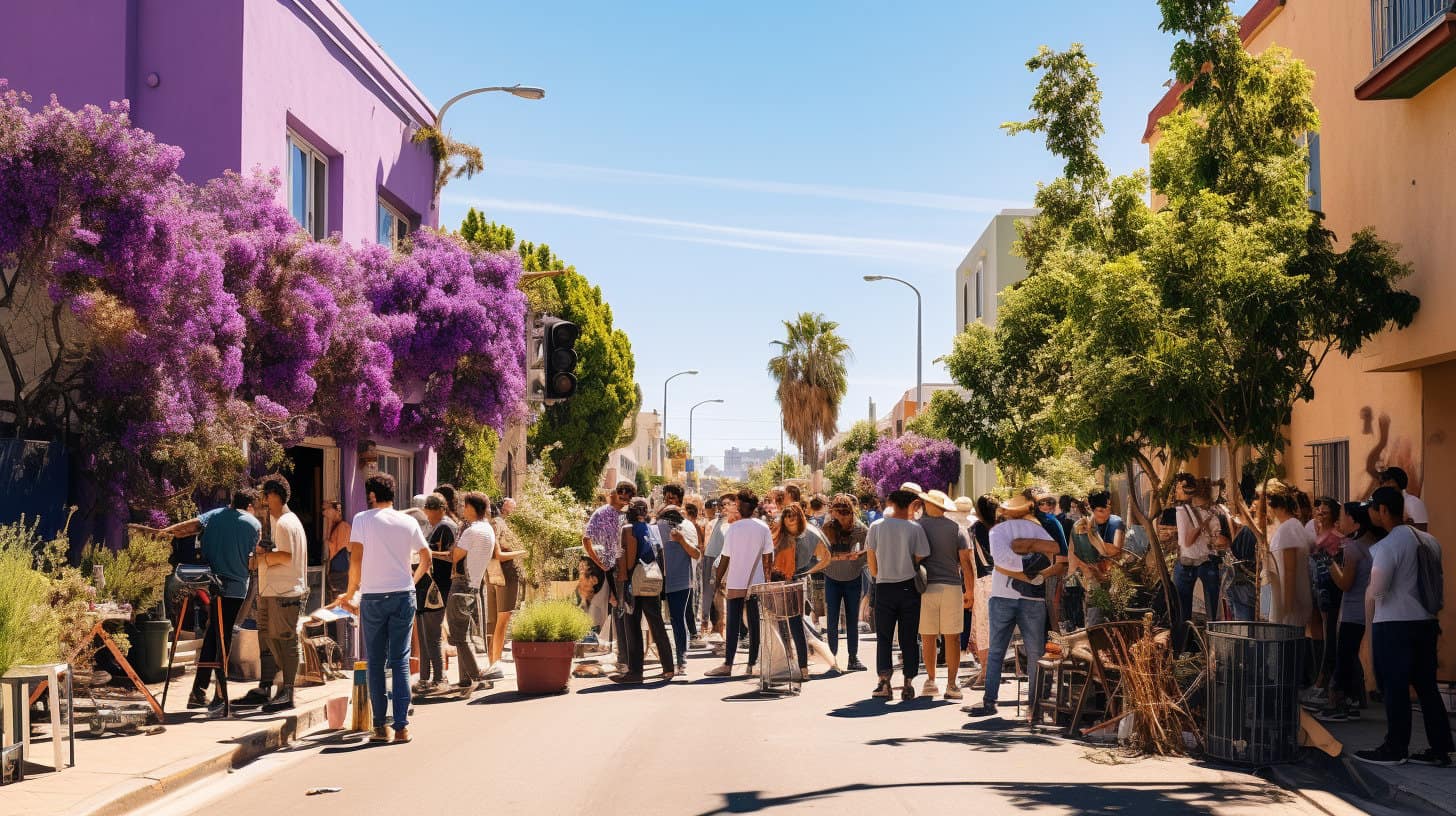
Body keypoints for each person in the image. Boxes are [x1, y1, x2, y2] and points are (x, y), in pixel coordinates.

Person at [1354, 487, 1453, 767]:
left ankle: (1395, 747)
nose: (1371, 513)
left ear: (1383, 511)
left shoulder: (1387, 546)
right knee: (1426, 687)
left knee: (1395, 687)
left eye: (1373, 508)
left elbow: (1379, 590)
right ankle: (1442, 748)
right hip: (1426, 622)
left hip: (1394, 624)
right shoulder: (1430, 540)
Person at [146, 489, 261, 718]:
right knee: (224, 636)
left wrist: (162, 532)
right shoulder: (253, 523)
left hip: (206, 582)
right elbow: (254, 559)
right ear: (250, 505)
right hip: (235, 588)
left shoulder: (214, 515)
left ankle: (198, 691)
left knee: (212, 633)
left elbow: (187, 528)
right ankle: (220, 693)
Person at [335, 473, 432, 744]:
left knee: (375, 662)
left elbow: (356, 560)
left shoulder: (363, 520)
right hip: (403, 596)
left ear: (372, 495)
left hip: (374, 597)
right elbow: (426, 557)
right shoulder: (408, 520)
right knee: (400, 661)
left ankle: (380, 727)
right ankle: (401, 727)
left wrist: (352, 591)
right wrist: (411, 582)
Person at [965, 492, 1058, 718]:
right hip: (1032, 597)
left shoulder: (997, 531)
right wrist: (1031, 559)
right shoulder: (1038, 529)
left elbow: (1002, 561)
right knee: (1035, 653)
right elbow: (1052, 554)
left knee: (997, 650)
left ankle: (989, 701)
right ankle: (1035, 705)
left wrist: (1020, 558)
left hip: (1002, 594)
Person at [235, 475, 308, 713]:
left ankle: (287, 692)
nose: (262, 501)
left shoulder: (286, 523)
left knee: (285, 642)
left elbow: (286, 556)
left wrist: (260, 559)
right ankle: (266, 687)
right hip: (272, 592)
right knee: (267, 640)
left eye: (265, 496)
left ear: (274, 495)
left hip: (283, 593)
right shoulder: (280, 522)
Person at [866, 488, 931, 700]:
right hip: (908, 587)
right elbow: (922, 554)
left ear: (891, 503)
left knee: (884, 637)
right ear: (910, 505)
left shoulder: (876, 527)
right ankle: (908, 683)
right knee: (909, 638)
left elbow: (871, 558)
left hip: (884, 585)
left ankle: (884, 682)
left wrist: (878, 574)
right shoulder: (915, 529)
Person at [1316, 501, 1375, 722]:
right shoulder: (1371, 542)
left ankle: (1338, 704)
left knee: (1344, 656)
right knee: (1350, 656)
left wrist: (1328, 562)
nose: (1340, 521)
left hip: (1352, 610)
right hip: (1367, 609)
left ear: (1354, 520)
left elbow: (1344, 583)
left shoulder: (1353, 546)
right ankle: (1353, 700)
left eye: (1343, 516)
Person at [705, 489, 774, 677]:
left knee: (733, 624)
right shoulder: (763, 527)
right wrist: (767, 580)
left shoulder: (733, 528)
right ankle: (752, 664)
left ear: (741, 506)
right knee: (754, 624)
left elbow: (725, 558)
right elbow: (769, 558)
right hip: (757, 582)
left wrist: (717, 581)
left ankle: (728, 664)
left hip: (736, 580)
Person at [912, 489, 973, 700]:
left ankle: (930, 680)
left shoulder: (917, 527)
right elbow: (966, 562)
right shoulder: (957, 528)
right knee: (952, 637)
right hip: (952, 586)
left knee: (928, 636)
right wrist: (970, 591)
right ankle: (952, 684)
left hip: (925, 587)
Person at [613, 498, 676, 683]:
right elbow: (660, 554)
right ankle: (668, 668)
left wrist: (623, 576)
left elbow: (628, 556)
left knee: (632, 625)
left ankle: (635, 672)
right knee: (657, 625)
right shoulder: (652, 528)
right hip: (652, 579)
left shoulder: (628, 528)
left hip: (635, 580)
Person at [810, 494, 868, 671]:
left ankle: (853, 657)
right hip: (832, 579)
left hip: (853, 578)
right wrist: (838, 557)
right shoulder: (827, 528)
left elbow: (868, 553)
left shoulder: (861, 529)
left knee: (852, 620)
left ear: (852, 512)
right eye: (838, 512)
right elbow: (819, 554)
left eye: (845, 512)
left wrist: (857, 558)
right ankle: (833, 659)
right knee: (832, 619)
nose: (842, 517)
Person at [447, 492, 495, 693]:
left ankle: (476, 676)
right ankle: (465, 679)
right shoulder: (488, 530)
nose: (463, 510)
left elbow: (455, 555)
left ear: (472, 508)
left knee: (459, 634)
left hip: (461, 584)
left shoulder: (471, 531)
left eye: (465, 506)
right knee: (464, 632)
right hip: (476, 584)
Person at [1172, 478, 1226, 652]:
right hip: (1208, 560)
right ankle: (1213, 649)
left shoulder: (1183, 511)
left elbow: (1186, 541)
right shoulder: (1214, 511)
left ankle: (1184, 650)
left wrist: (1201, 525)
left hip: (1192, 562)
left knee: (1182, 610)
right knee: (1212, 610)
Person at [410, 493, 457, 694]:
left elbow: (451, 556)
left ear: (437, 509)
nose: (427, 517)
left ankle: (439, 678)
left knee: (433, 636)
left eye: (428, 512)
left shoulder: (446, 527)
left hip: (436, 589)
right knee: (425, 636)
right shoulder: (437, 527)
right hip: (427, 589)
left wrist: (425, 554)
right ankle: (424, 678)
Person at [585, 481, 633, 671]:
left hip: (619, 568)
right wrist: (600, 564)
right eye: (620, 493)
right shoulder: (602, 512)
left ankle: (620, 653)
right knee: (614, 607)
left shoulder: (626, 515)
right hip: (609, 568)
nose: (623, 497)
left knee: (619, 608)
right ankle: (620, 655)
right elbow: (586, 538)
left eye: (626, 494)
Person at [768, 503, 815, 679]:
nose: (790, 518)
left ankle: (803, 668)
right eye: (787, 515)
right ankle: (788, 664)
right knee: (781, 626)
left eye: (794, 515)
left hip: (795, 584)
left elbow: (818, 556)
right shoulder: (777, 536)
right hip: (778, 584)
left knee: (796, 625)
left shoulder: (806, 536)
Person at [656, 490, 700, 676]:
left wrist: (681, 540)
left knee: (677, 619)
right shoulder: (656, 526)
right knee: (668, 621)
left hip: (680, 581)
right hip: (658, 580)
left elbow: (697, 554)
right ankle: (671, 661)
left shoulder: (686, 527)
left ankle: (681, 660)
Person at [1071, 491, 1125, 627]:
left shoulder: (1116, 522)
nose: (1106, 513)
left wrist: (1093, 536)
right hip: (1092, 578)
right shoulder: (1080, 525)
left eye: (1108, 508)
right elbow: (1076, 553)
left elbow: (1116, 550)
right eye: (1101, 510)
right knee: (1094, 621)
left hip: (1114, 576)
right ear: (1092, 510)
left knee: (1116, 620)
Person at [484, 496, 524, 680]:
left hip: (491, 573)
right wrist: (524, 552)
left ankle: (492, 663)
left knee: (493, 622)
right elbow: (499, 554)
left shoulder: (491, 524)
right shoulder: (499, 524)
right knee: (502, 619)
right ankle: (496, 663)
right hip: (506, 573)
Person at [1265, 479, 1314, 628]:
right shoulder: (1291, 526)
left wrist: (1286, 609)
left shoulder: (1289, 529)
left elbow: (1290, 571)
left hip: (1291, 605)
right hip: (1286, 602)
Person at [964, 494, 998, 686]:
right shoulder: (1002, 528)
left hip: (983, 580)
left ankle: (986, 671)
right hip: (1004, 580)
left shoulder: (975, 530)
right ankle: (988, 669)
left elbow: (969, 559)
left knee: (984, 627)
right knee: (996, 627)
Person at [1376, 466, 1428, 532]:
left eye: (1388, 482)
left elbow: (1421, 534)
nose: (1384, 486)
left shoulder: (1414, 503)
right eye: (1381, 483)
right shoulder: (1382, 503)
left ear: (1399, 482)